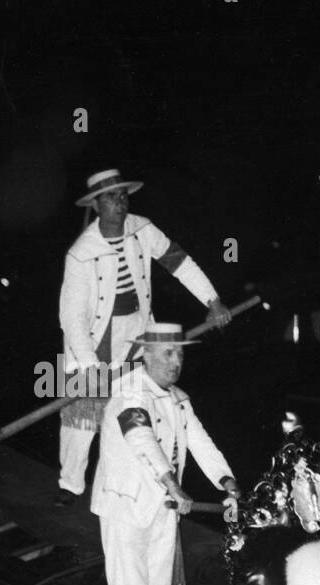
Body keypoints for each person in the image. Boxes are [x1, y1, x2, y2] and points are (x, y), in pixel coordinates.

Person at [57, 168, 232, 506]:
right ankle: (69, 485)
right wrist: (91, 366)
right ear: (96, 205)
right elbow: (73, 317)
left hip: (137, 335)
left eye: (123, 195)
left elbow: (180, 263)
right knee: (80, 419)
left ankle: (141, 481)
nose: (119, 202)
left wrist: (212, 301)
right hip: (91, 341)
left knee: (137, 405)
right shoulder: (80, 253)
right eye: (110, 197)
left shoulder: (142, 230)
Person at [91, 323, 240, 585]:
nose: (176, 363)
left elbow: (201, 442)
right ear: (146, 355)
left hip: (164, 508)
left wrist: (227, 482)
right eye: (168, 353)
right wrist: (173, 485)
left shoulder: (178, 400)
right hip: (127, 507)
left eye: (180, 356)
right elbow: (141, 438)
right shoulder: (129, 392)